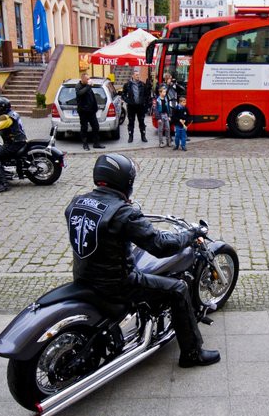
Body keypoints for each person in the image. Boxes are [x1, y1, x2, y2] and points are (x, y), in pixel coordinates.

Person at [65, 153, 220, 367]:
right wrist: (191, 234)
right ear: (124, 181)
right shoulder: (124, 213)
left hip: (85, 276)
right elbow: (161, 245)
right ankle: (192, 353)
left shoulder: (77, 202)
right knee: (178, 289)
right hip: (118, 284)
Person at [75, 73, 106, 151]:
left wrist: (95, 107)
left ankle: (96, 143)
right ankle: (85, 144)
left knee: (96, 126)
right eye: (87, 79)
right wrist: (88, 86)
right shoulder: (78, 86)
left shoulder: (88, 86)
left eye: (89, 79)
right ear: (82, 79)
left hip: (91, 111)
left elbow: (92, 97)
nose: (89, 80)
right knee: (84, 128)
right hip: (83, 111)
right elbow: (80, 93)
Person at [121, 68, 150, 143]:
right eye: (136, 75)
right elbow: (123, 94)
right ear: (133, 76)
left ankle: (143, 136)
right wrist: (128, 101)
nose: (138, 76)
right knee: (131, 122)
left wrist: (145, 104)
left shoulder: (142, 85)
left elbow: (147, 95)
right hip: (131, 107)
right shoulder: (127, 85)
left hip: (140, 107)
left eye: (138, 75)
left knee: (142, 121)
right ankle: (130, 136)